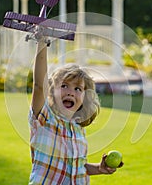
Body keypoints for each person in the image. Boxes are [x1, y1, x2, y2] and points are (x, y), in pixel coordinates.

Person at [28, 30, 123, 184]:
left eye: (78, 89)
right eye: (64, 86)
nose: (71, 93)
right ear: (51, 91)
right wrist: (42, 42)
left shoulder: (78, 129)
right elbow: (39, 85)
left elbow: (77, 168)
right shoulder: (44, 119)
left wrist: (99, 168)